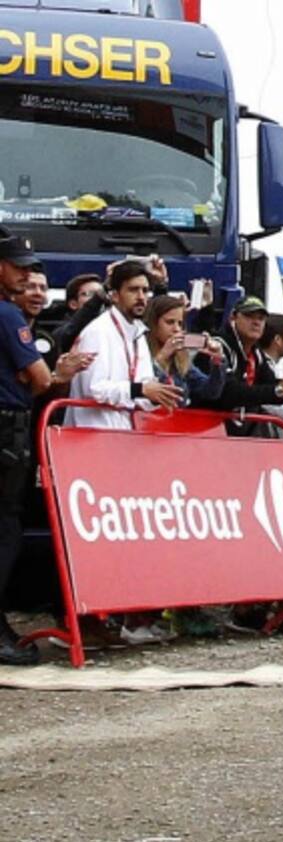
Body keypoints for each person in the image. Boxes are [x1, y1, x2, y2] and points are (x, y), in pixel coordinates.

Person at [0, 228, 94, 663]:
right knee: (6, 529)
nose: (25, 277)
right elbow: (39, 380)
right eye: (18, 267)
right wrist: (58, 371)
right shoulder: (8, 315)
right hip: (7, 430)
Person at [65, 260, 184, 430]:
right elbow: (94, 389)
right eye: (133, 290)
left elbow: (143, 386)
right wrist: (140, 390)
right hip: (90, 434)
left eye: (145, 290)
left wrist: (155, 396)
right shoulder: (97, 331)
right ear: (114, 295)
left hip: (123, 434)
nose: (141, 297)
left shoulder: (138, 333)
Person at [198, 296, 283, 436]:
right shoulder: (217, 346)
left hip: (237, 435)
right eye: (249, 316)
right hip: (206, 433)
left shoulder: (257, 354)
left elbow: (271, 389)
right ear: (233, 318)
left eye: (261, 318)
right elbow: (228, 393)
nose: (256, 322)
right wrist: (280, 389)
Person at [144, 294, 226, 406]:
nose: (176, 329)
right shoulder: (140, 351)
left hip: (174, 420)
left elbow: (211, 392)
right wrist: (161, 358)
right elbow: (141, 388)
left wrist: (217, 360)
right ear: (153, 323)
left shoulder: (180, 359)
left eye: (180, 324)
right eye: (170, 322)